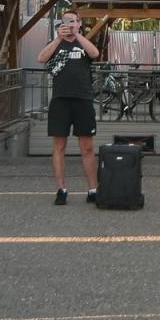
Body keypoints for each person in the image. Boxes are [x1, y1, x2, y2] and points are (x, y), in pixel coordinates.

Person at [37, 12, 100, 205]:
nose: (70, 25)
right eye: (66, 22)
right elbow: (41, 58)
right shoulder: (57, 42)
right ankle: (61, 189)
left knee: (87, 147)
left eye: (73, 21)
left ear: (80, 24)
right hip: (60, 100)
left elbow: (94, 54)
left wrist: (77, 35)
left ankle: (93, 189)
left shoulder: (83, 42)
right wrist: (59, 38)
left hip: (83, 99)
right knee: (59, 146)